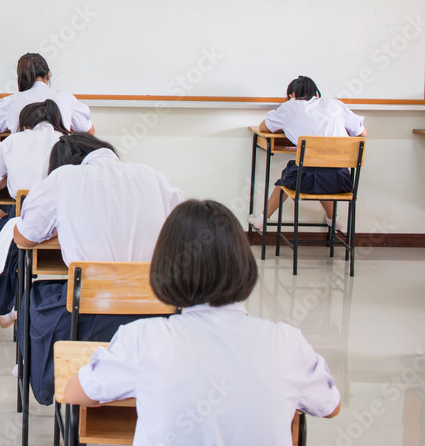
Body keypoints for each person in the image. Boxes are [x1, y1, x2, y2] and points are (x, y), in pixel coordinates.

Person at [65, 199, 341, 445]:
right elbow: (331, 406)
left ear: (164, 265)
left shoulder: (143, 338)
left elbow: (75, 392)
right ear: (243, 261)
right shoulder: (288, 343)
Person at [13, 132, 185, 405]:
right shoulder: (152, 175)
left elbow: (23, 237)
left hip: (87, 320)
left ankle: (45, 380)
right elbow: (184, 227)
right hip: (154, 315)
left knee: (34, 299)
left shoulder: (64, 179)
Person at [0, 100, 68, 325]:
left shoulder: (13, 141)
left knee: (3, 232)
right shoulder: (68, 143)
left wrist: (9, 180)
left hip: (25, 214)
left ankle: (3, 305)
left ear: (25, 124)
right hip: (64, 225)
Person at [248, 75, 366, 233]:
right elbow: (362, 133)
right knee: (323, 171)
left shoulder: (290, 106)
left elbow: (263, 128)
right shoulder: (335, 104)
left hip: (304, 181)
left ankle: (262, 220)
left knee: (286, 179)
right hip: (341, 180)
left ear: (292, 95)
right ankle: (333, 219)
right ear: (316, 93)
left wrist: (288, 127)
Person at [0, 53, 93, 135]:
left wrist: (12, 127)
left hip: (23, 162)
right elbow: (89, 131)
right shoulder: (66, 98)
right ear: (48, 75)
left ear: (20, 78)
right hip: (58, 162)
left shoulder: (11, 101)